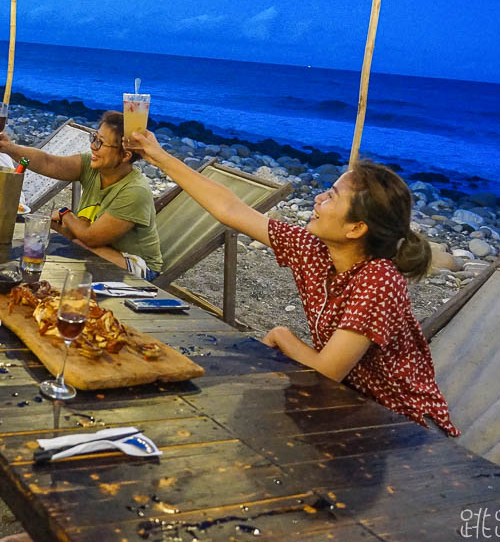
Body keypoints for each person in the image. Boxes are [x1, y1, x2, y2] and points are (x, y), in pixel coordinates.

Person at [125, 129, 458, 437]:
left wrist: (284, 336)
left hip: (399, 425)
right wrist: (159, 156)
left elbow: (328, 370)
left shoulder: (379, 279)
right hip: (341, 402)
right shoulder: (315, 250)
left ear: (355, 229)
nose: (318, 199)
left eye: (331, 197)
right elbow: (230, 208)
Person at [0, 110, 163, 279]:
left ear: (125, 155)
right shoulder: (92, 165)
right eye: (94, 138)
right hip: (96, 248)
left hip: (136, 265)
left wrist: (66, 215)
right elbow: (48, 162)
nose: (92, 146)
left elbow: (91, 238)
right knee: (43, 246)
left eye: (100, 143)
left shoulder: (134, 191)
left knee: (69, 246)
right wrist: (9, 148)